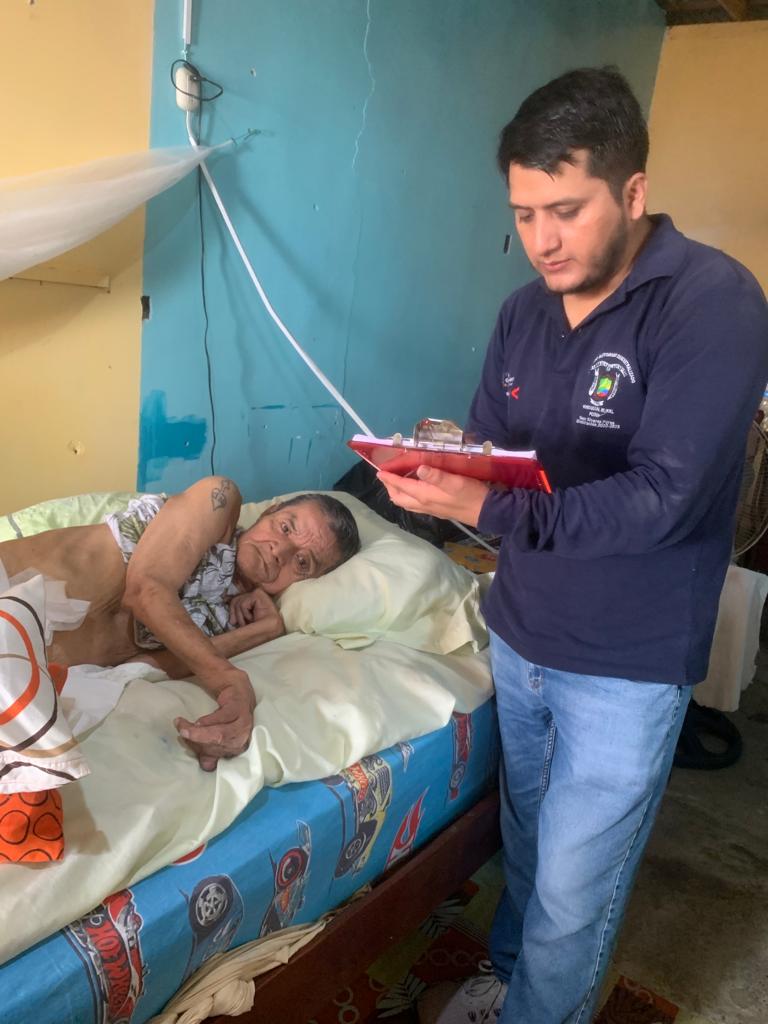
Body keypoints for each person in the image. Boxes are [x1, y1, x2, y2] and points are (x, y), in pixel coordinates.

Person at [378, 66, 768, 1023]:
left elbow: (663, 500)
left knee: (573, 896)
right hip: (523, 635)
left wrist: (490, 506)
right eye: (523, 214)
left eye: (565, 210)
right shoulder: (523, 313)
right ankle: (508, 982)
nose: (542, 240)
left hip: (626, 666)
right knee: (527, 850)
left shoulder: (712, 302)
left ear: (633, 193)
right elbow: (495, 449)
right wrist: (439, 469)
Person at [0, 477, 360, 771]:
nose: (279, 550)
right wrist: (231, 680)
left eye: (302, 563)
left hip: (15, 675)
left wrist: (262, 632)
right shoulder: (218, 500)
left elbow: (143, 667)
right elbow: (146, 590)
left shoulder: (224, 621)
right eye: (285, 527)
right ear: (268, 512)